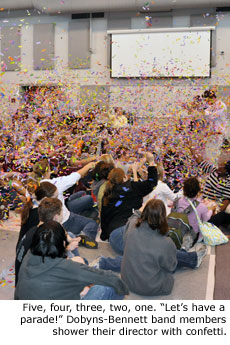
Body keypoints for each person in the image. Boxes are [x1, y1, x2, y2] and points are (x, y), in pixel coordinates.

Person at [91, 200, 207, 297]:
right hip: (152, 287)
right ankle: (186, 253)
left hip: (127, 280)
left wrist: (142, 207)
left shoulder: (131, 226)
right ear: (163, 217)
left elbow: (133, 217)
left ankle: (189, 255)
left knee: (139, 256)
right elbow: (170, 267)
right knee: (169, 263)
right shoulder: (166, 243)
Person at [15, 221, 129, 300]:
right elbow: (113, 280)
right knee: (109, 286)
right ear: (64, 244)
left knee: (81, 264)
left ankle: (90, 271)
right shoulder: (69, 267)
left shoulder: (29, 254)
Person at [100, 152, 158, 250]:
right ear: (124, 177)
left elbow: (104, 217)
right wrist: (151, 161)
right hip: (129, 233)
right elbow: (152, 182)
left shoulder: (107, 194)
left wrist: (104, 236)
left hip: (114, 236)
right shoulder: (132, 188)